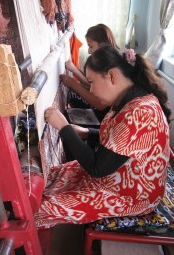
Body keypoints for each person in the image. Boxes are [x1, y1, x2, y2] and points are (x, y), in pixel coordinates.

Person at [34, 45, 171, 229]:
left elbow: (96, 168)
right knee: (55, 175)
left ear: (112, 76)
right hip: (121, 174)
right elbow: (122, 143)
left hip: (134, 195)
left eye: (91, 81)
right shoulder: (131, 101)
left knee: (40, 208)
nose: (91, 90)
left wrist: (64, 127)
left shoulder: (140, 112)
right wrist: (86, 132)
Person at [61, 24, 119, 120]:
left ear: (102, 44)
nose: (88, 51)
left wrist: (73, 84)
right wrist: (74, 77)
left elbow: (100, 104)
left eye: (91, 46)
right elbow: (90, 85)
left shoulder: (110, 65)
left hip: (105, 118)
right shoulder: (110, 60)